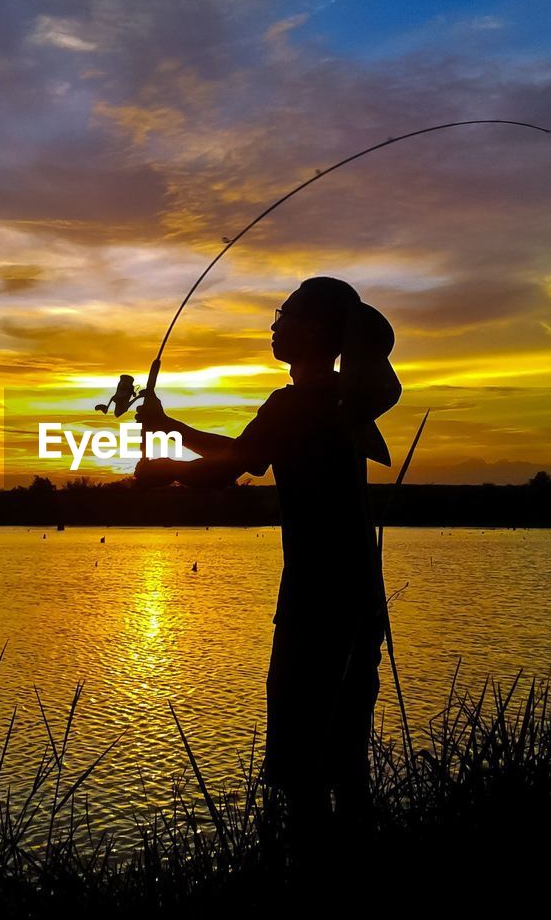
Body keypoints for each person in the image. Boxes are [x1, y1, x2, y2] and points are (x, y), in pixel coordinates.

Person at [133, 275, 401, 865]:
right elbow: (248, 453)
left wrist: (160, 469)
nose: (273, 326)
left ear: (308, 329)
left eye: (281, 315)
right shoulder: (335, 401)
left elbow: (231, 467)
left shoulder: (299, 403)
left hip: (315, 602)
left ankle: (304, 882)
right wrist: (175, 432)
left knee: (300, 765)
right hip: (360, 600)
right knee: (346, 759)